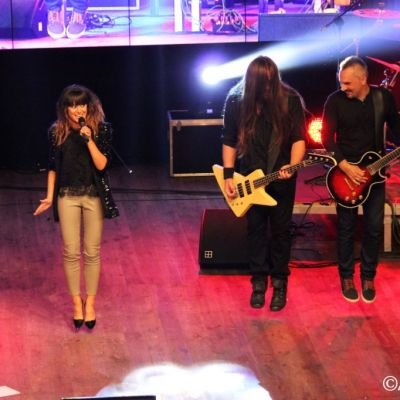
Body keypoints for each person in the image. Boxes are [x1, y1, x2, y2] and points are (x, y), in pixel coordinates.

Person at [221, 56, 307, 311]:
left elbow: (299, 138)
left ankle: (279, 282)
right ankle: (258, 281)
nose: (268, 89)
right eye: (263, 85)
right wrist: (228, 175)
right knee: (255, 230)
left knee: (281, 231)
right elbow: (229, 140)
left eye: (271, 83)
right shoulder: (236, 100)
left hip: (281, 179)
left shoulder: (290, 100)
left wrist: (292, 165)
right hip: (250, 178)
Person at [34, 84, 119, 330]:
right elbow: (53, 167)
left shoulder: (101, 129)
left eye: (81, 104)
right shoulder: (57, 132)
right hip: (67, 196)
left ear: (88, 106)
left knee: (92, 252)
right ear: (65, 109)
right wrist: (49, 197)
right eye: (72, 106)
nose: (77, 109)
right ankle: (76, 304)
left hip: (93, 196)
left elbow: (102, 165)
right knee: (71, 252)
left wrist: (89, 139)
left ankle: (90, 303)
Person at [321, 55, 400, 304]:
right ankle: (346, 276)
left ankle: (368, 276)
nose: (343, 88)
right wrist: (344, 165)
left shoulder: (382, 98)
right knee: (346, 228)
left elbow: (396, 130)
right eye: (341, 82)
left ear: (363, 79)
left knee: (373, 228)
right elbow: (326, 137)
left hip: (375, 174)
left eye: (347, 83)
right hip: (345, 174)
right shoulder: (335, 100)